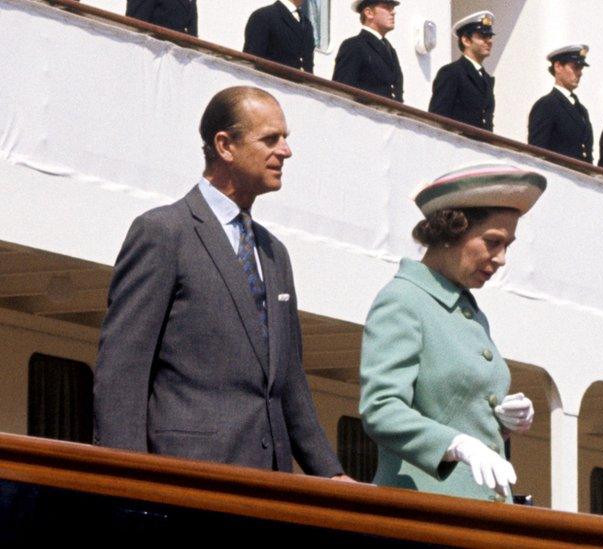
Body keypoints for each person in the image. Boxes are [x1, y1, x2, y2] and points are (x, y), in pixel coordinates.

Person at [93, 86, 349, 480]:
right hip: (188, 483)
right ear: (225, 146)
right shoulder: (164, 233)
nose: (286, 151)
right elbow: (122, 372)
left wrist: (331, 475)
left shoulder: (273, 253)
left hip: (269, 486)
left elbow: (290, 382)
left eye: (285, 139)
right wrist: (124, 484)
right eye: (270, 139)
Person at [359, 164, 545, 502]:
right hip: (424, 509)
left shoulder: (467, 310)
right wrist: (456, 445)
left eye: (508, 245)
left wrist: (502, 420)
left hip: (477, 510)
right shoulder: (403, 300)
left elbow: (451, 404)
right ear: (451, 231)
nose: (501, 259)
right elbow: (381, 408)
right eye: (493, 242)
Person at [429, 11, 496, 131]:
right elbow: (437, 118)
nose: (488, 41)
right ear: (466, 40)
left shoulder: (486, 79)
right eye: (482, 36)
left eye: (489, 36)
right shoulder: (452, 73)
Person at [527, 44, 593, 163]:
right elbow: (537, 151)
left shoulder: (581, 110)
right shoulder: (546, 105)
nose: (580, 73)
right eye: (575, 67)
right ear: (558, 67)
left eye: (581, 68)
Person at [332, 0, 404, 102]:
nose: (393, 12)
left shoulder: (391, 51)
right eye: (387, 7)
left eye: (392, 8)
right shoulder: (354, 46)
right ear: (369, 13)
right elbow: (341, 93)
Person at [244, 0, 315, 73]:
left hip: (300, 83)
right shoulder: (263, 16)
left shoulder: (307, 25)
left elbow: (308, 66)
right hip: (270, 82)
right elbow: (250, 63)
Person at [125, 0, 197, 36]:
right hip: (147, 50)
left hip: (177, 58)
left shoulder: (191, 1)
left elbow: (193, 35)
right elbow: (135, 23)